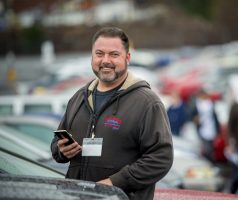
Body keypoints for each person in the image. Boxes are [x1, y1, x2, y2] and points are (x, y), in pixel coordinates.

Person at [51, 27, 173, 200]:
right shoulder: (79, 98)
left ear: (127, 58)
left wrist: (114, 183)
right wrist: (61, 150)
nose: (105, 60)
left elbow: (161, 158)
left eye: (114, 54)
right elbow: (56, 144)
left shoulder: (147, 103)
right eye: (99, 54)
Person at [192, 89, 220, 162]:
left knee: (210, 149)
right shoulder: (197, 104)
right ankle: (208, 161)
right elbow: (193, 115)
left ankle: (210, 162)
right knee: (206, 148)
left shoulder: (210, 103)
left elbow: (215, 117)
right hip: (202, 129)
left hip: (211, 129)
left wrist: (218, 130)